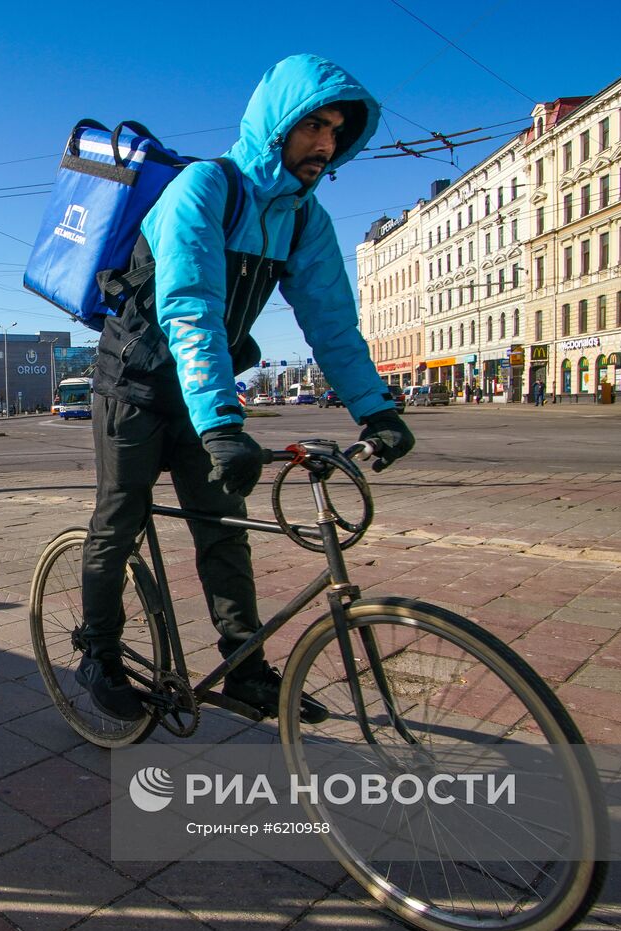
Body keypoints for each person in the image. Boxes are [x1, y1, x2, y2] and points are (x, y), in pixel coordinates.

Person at [77, 55, 414, 722]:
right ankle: (98, 653)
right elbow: (191, 307)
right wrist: (223, 425)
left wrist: (377, 409)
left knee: (224, 530)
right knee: (119, 521)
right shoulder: (203, 188)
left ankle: (245, 669)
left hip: (203, 395)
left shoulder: (303, 219)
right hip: (135, 385)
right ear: (276, 126)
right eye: (313, 126)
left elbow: (332, 323)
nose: (326, 143)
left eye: (337, 131)